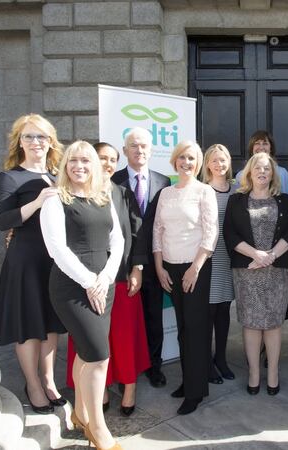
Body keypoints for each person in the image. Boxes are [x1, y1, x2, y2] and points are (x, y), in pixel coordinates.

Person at [40, 141, 123, 450]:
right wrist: (90, 282)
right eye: (73, 160)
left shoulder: (103, 196)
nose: (79, 166)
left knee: (87, 353)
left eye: (86, 161)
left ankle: (80, 412)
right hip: (72, 287)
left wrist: (106, 279)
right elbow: (57, 250)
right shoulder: (55, 200)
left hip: (103, 284)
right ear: (65, 165)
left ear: (95, 166)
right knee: (99, 356)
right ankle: (98, 429)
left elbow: (117, 240)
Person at [64, 143, 150, 416]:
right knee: (93, 338)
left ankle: (129, 387)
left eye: (113, 160)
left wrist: (137, 268)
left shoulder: (122, 193)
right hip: (85, 280)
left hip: (121, 277)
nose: (108, 164)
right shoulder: (73, 194)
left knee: (124, 337)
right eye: (102, 158)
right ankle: (99, 389)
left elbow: (137, 233)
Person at [0, 113, 67, 414]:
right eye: (29, 136)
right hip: (25, 259)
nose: (36, 142)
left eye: (41, 136)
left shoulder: (59, 175)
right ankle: (33, 384)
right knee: (27, 324)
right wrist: (37, 202)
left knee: (50, 323)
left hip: (54, 259)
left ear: (51, 142)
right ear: (19, 142)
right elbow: (1, 220)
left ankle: (48, 380)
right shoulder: (10, 177)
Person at [152, 140, 218, 415]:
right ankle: (189, 380)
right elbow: (157, 230)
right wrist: (159, 267)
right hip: (169, 267)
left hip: (196, 269)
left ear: (198, 163)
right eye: (182, 157)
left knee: (195, 329)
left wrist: (195, 268)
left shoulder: (204, 191)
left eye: (191, 158)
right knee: (182, 328)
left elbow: (211, 232)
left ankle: (195, 391)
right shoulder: (165, 193)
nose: (186, 162)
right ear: (174, 161)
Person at [224, 152, 288, 396]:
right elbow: (230, 234)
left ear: (273, 173)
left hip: (277, 271)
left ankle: (273, 372)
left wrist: (270, 256)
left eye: (267, 168)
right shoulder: (236, 201)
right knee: (252, 323)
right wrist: (256, 254)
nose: (262, 172)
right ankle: (254, 373)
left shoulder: (284, 200)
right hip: (247, 272)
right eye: (258, 168)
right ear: (249, 172)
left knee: (273, 324)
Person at [111, 127, 171, 388]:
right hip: (123, 264)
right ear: (125, 151)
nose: (139, 150)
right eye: (134, 145)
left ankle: (154, 366)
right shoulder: (113, 180)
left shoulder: (163, 181)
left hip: (155, 263)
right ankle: (126, 368)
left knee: (154, 319)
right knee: (126, 323)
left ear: (151, 150)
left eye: (144, 145)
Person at [201, 144, 236, 384]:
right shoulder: (202, 190)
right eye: (214, 160)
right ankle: (206, 362)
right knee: (209, 311)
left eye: (223, 160)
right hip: (209, 257)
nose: (219, 164)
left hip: (230, 257)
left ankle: (221, 359)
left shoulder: (237, 191)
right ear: (207, 164)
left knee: (224, 310)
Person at [235, 130, 288, 198]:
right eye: (257, 143)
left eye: (265, 143)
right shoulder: (240, 176)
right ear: (252, 148)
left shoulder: (282, 173)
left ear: (271, 148)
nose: (261, 147)